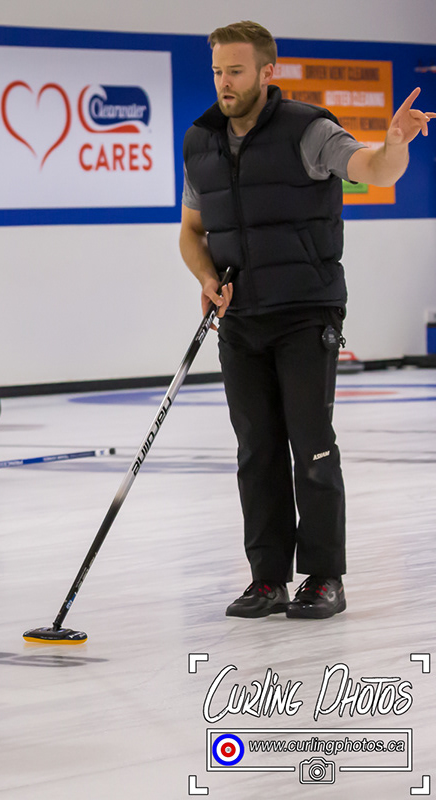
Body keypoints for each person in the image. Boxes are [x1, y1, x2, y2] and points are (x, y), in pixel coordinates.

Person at [179, 21, 433, 620]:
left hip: (305, 311)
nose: (225, 82)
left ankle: (324, 576)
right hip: (241, 318)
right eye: (218, 70)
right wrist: (207, 279)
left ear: (269, 72)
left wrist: (395, 144)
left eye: (236, 70)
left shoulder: (308, 129)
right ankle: (267, 579)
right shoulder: (200, 142)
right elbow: (192, 233)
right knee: (256, 450)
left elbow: (372, 169)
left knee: (311, 447)